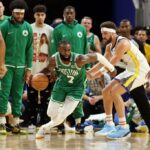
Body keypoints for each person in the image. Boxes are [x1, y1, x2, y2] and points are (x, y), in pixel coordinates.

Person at [36, 40, 115, 139]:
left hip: (76, 88)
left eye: (69, 50)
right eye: (64, 50)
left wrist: (111, 68)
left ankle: (43, 128)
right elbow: (48, 69)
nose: (66, 53)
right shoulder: (54, 59)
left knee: (62, 115)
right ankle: (62, 121)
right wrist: (39, 75)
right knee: (50, 113)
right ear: (58, 50)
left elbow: (98, 56)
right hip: (61, 86)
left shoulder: (79, 59)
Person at [87, 21, 150, 139]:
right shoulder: (109, 46)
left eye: (105, 33)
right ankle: (109, 124)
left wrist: (96, 75)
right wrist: (90, 72)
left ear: (112, 32)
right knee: (106, 91)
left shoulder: (123, 43)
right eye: (102, 34)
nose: (103, 36)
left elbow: (112, 64)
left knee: (115, 92)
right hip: (130, 70)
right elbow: (103, 61)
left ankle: (124, 127)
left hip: (140, 71)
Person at [50, 5, 88, 131]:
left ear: (75, 14)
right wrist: (54, 68)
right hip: (63, 66)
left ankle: (78, 123)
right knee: (62, 95)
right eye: (67, 13)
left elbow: (85, 49)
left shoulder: (81, 29)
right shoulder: (58, 29)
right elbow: (54, 49)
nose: (69, 15)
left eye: (72, 13)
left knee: (78, 96)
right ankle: (60, 123)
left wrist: (87, 67)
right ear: (63, 14)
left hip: (79, 67)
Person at [0, 0, 33, 134]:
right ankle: (2, 123)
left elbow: (29, 49)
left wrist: (29, 68)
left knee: (17, 95)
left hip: (21, 67)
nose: (19, 16)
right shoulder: (4, 25)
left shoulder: (27, 27)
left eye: (21, 13)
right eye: (17, 13)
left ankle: (15, 124)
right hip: (6, 66)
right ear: (12, 13)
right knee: (3, 93)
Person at [27, 4, 54, 127]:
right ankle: (31, 122)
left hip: (46, 69)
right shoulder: (29, 28)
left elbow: (53, 51)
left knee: (46, 99)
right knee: (31, 99)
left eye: (42, 15)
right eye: (38, 14)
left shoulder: (50, 30)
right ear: (34, 15)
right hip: (31, 68)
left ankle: (45, 122)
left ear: (45, 16)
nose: (40, 17)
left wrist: (51, 69)